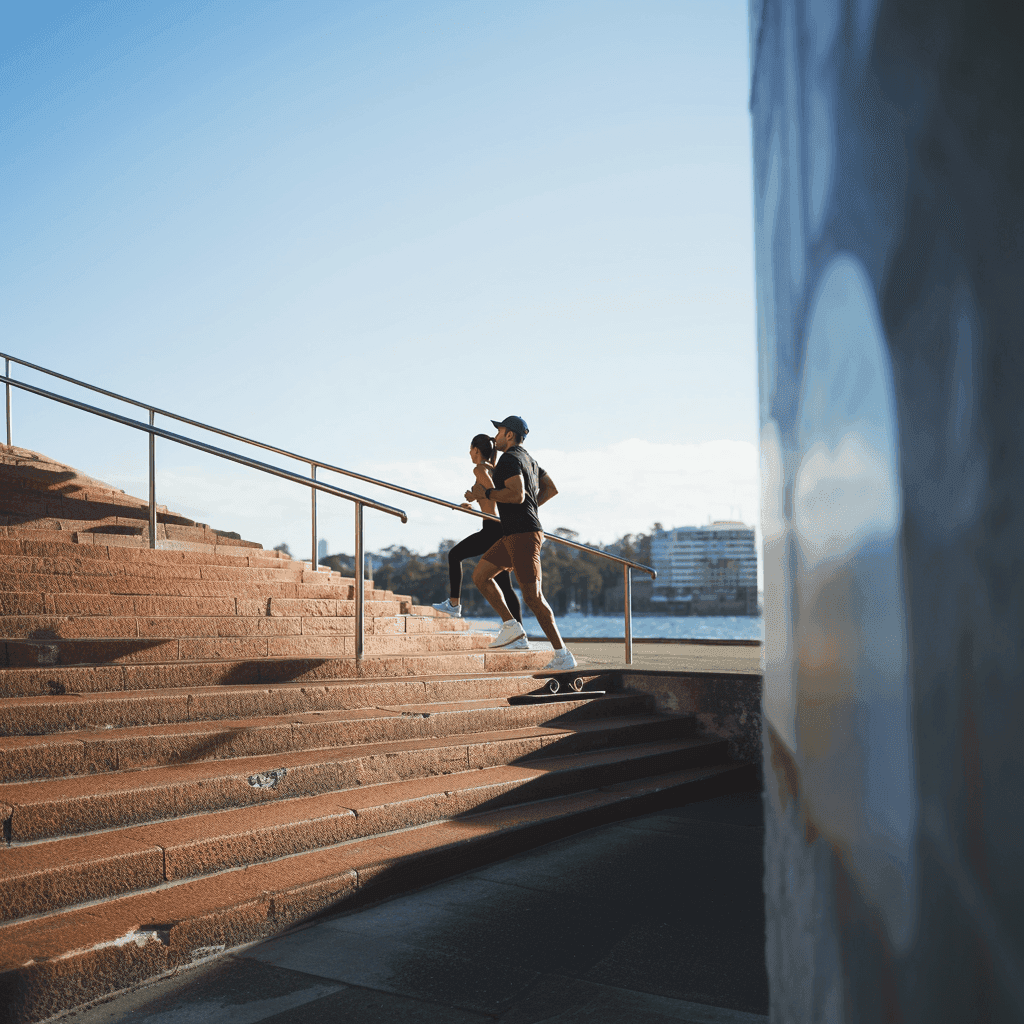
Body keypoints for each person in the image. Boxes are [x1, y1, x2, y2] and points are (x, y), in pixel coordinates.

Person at [468, 415, 577, 672]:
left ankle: (562, 654)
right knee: (481, 575)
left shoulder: (509, 458)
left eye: (499, 431)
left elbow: (516, 495)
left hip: (524, 536)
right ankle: (513, 630)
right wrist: (530, 507)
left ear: (509, 435)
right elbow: (550, 489)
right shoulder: (529, 460)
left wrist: (485, 494)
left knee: (533, 597)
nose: (495, 436)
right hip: (513, 535)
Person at [432, 434, 524, 630]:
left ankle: (454, 604)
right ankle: (519, 631)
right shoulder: (493, 468)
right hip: (498, 528)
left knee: (454, 555)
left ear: (476, 449)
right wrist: (474, 504)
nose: (469, 453)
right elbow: (492, 501)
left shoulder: (480, 469)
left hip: (492, 529)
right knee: (504, 584)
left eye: (470, 449)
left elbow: (494, 494)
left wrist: (475, 494)